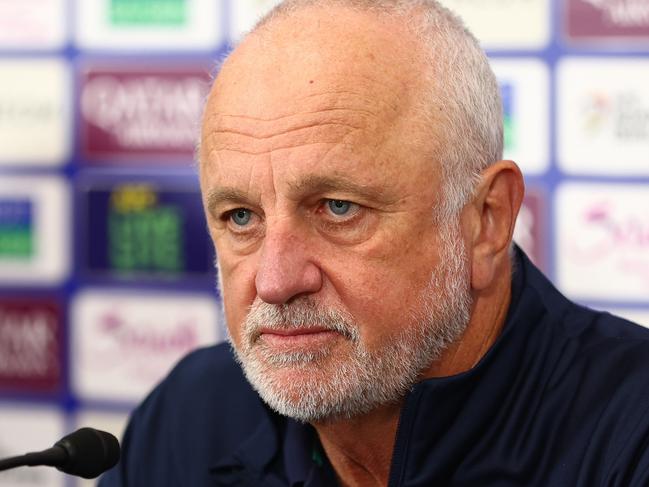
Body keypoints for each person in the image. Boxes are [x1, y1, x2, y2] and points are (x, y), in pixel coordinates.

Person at [99, 1, 649, 486]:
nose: (275, 280)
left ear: (487, 220)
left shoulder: (630, 437)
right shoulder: (191, 416)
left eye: (338, 208)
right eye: (241, 216)